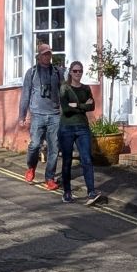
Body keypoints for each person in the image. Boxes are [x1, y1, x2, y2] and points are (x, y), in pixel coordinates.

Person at [18, 44, 65, 189]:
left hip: (54, 114)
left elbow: (63, 93)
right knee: (35, 145)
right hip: (37, 114)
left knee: (54, 149)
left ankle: (49, 178)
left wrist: (66, 113)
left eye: (49, 54)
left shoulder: (57, 72)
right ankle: (31, 167)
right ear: (39, 56)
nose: (47, 57)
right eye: (44, 54)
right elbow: (25, 95)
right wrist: (22, 116)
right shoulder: (31, 73)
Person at [58, 61, 102, 204]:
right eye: (75, 71)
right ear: (70, 72)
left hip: (82, 127)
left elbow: (92, 106)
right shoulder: (64, 88)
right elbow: (66, 109)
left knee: (87, 159)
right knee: (67, 160)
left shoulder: (85, 88)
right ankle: (67, 192)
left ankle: (91, 192)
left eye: (80, 71)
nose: (78, 73)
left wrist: (76, 105)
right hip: (67, 127)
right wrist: (83, 106)